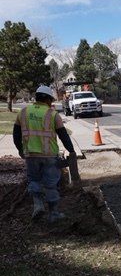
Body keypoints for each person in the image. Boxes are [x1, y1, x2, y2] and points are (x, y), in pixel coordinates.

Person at [13, 85, 75, 222]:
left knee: (34, 180)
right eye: (51, 100)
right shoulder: (52, 114)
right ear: (47, 99)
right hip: (49, 156)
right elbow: (64, 135)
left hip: (30, 155)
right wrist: (71, 151)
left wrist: (20, 150)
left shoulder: (22, 113)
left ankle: (38, 205)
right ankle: (53, 214)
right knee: (51, 184)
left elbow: (16, 135)